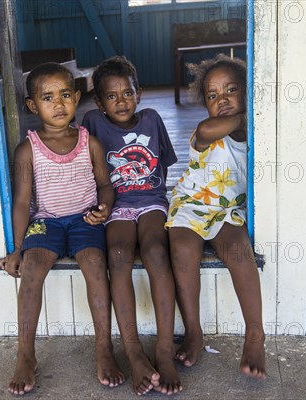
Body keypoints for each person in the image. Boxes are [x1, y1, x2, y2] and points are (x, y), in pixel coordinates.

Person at [0, 62, 125, 395]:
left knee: (97, 267)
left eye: (65, 94)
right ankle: (25, 354)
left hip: (84, 220)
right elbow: (22, 202)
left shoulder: (89, 143)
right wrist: (16, 249)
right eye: (48, 97)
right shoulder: (28, 150)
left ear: (77, 98)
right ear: (32, 105)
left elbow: (106, 186)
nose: (58, 104)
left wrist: (104, 208)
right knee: (32, 269)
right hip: (46, 223)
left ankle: (103, 347)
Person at [82, 56, 182, 395]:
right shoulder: (92, 121)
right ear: (99, 102)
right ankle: (134, 350)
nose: (121, 101)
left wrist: (152, 195)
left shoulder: (152, 119)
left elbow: (163, 169)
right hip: (117, 205)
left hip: (151, 200)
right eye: (111, 96)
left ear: (138, 94)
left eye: (128, 93)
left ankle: (165, 351)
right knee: (119, 255)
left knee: (156, 251)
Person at [165, 54, 266, 379]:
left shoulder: (258, 136)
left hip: (227, 209)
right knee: (182, 249)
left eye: (231, 91)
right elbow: (210, 127)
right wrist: (244, 115)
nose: (222, 100)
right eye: (213, 95)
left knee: (238, 251)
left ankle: (255, 334)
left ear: (246, 91)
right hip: (192, 203)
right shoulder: (206, 131)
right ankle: (194, 331)